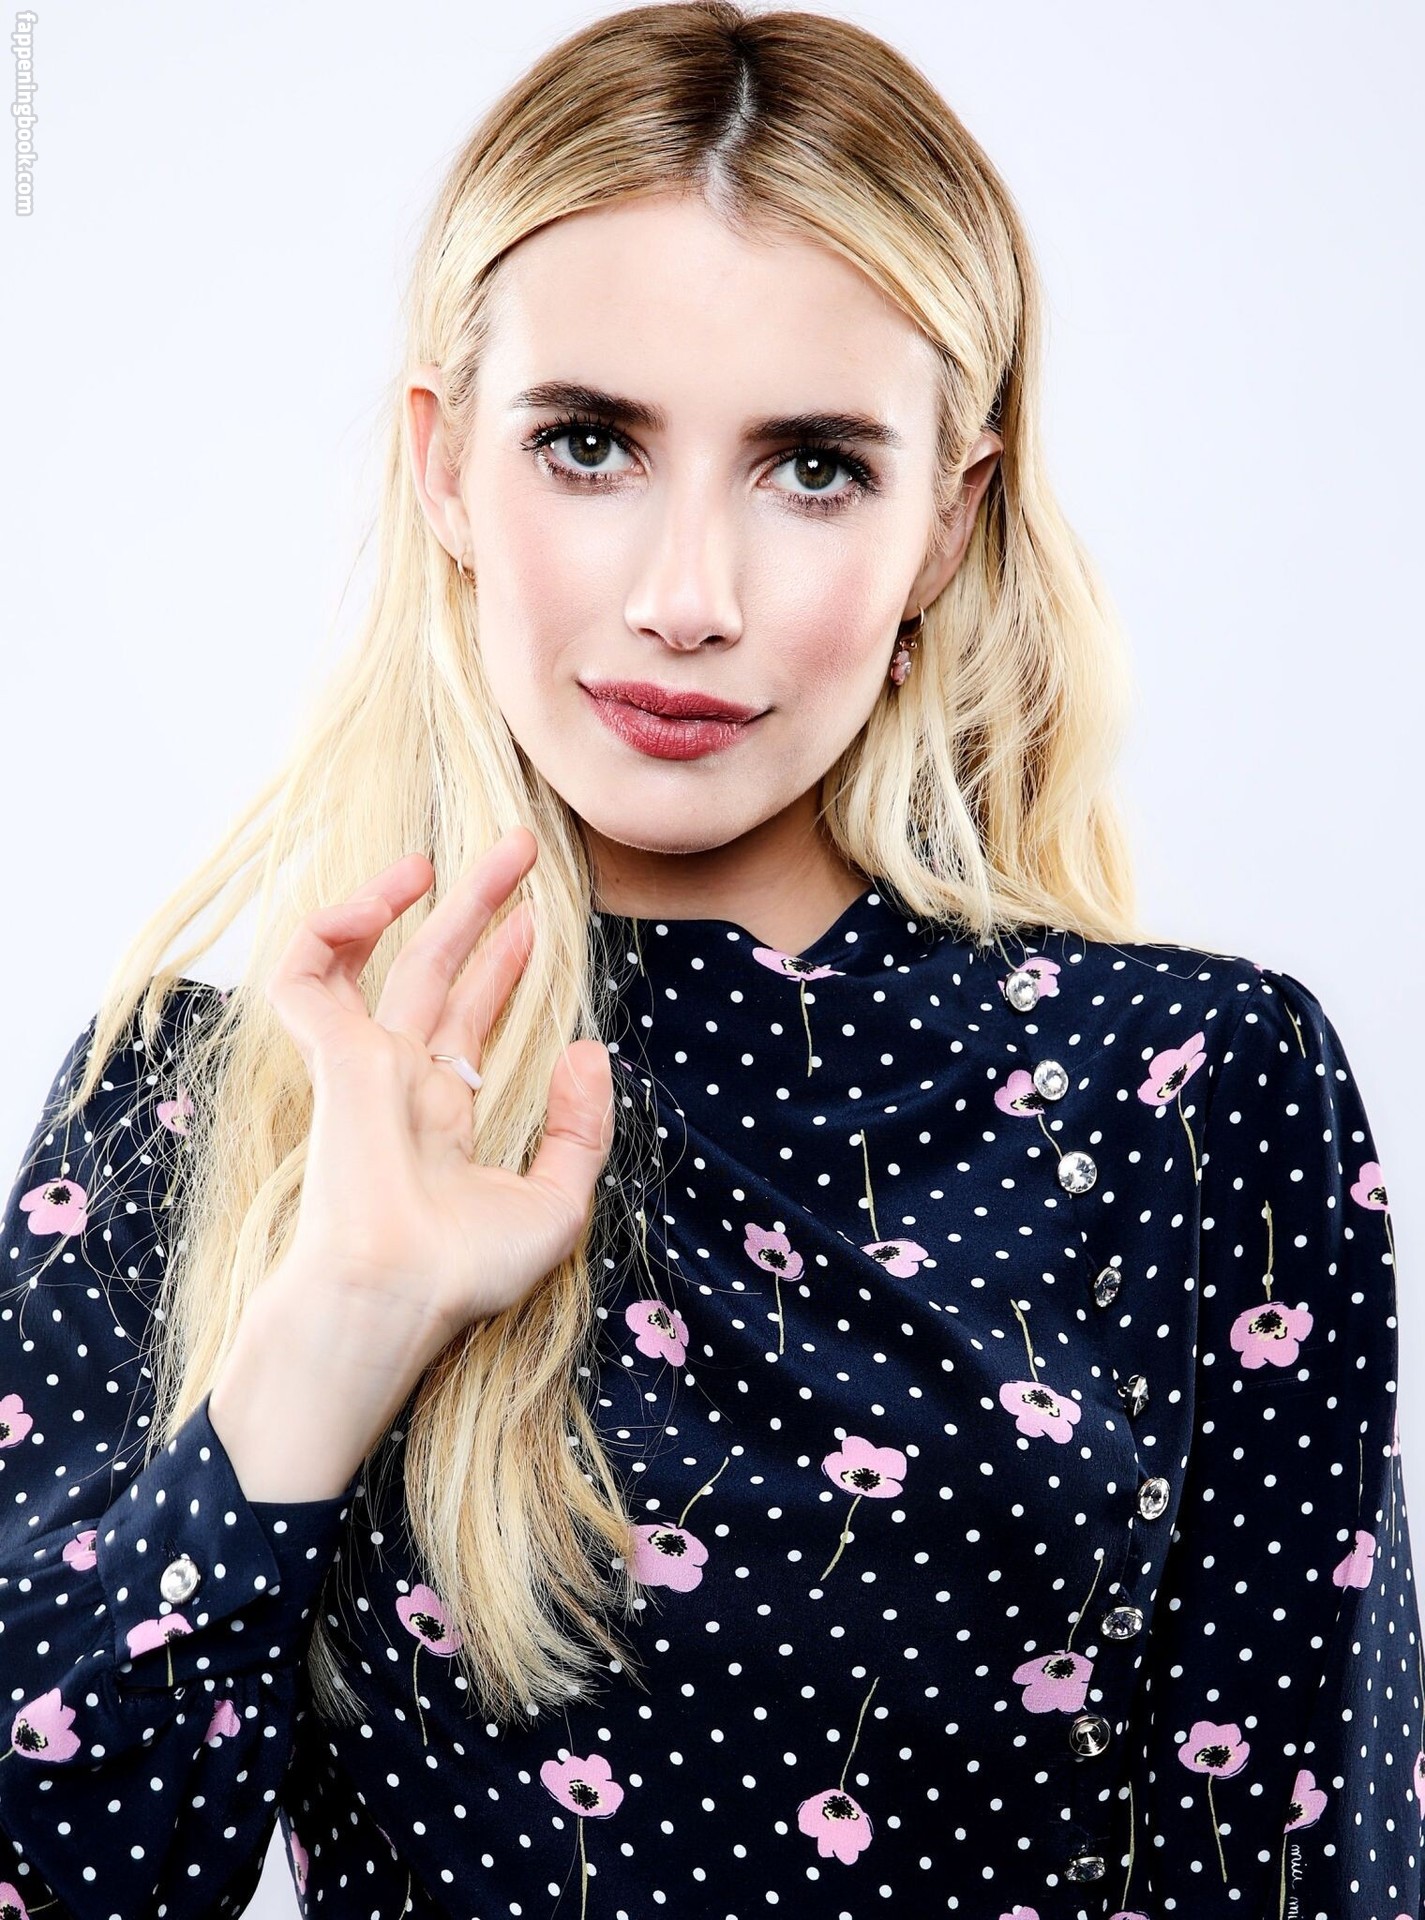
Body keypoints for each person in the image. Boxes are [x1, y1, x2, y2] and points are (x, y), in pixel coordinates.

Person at [0, 3, 1417, 1916]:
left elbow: (1303, 1855)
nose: (687, 598)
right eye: (587, 445)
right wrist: (335, 1321)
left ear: (945, 523)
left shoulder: (1188, 1089)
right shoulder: (208, 1105)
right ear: (444, 467)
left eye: (812, 467)